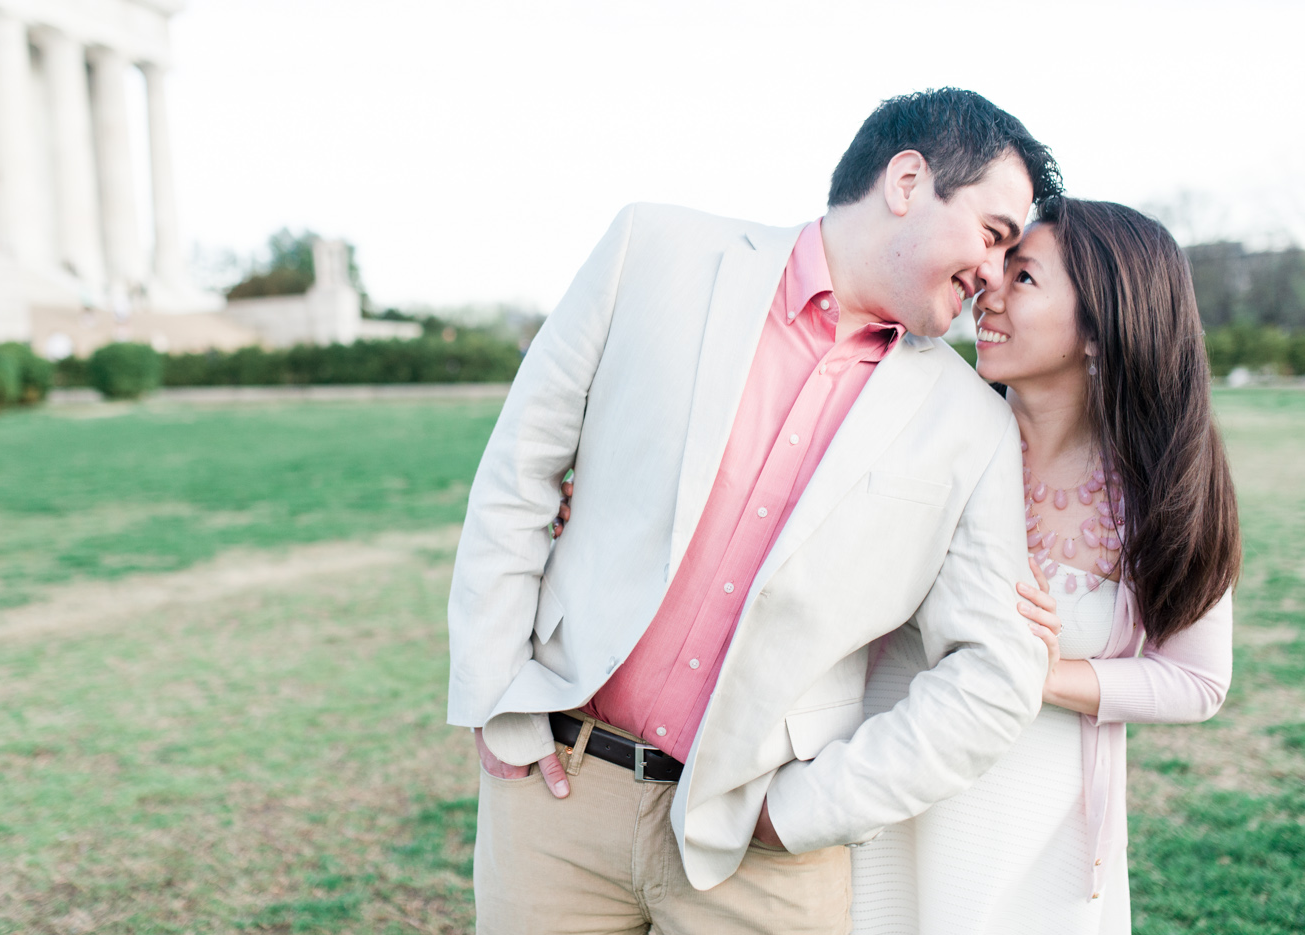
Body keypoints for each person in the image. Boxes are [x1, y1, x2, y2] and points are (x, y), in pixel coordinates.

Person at [446, 88, 1061, 935]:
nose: (995, 274)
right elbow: (520, 471)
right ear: (908, 180)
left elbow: (993, 675)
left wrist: (807, 809)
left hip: (765, 858)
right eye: (993, 235)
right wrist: (495, 695)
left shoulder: (974, 424)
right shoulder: (652, 250)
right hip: (557, 798)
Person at [850, 198, 1240, 934]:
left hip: (1033, 841)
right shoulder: (924, 427)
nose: (986, 289)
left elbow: (1197, 680)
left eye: (1022, 277)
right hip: (881, 799)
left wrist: (1040, 672)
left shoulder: (1165, 492)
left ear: (1099, 327)